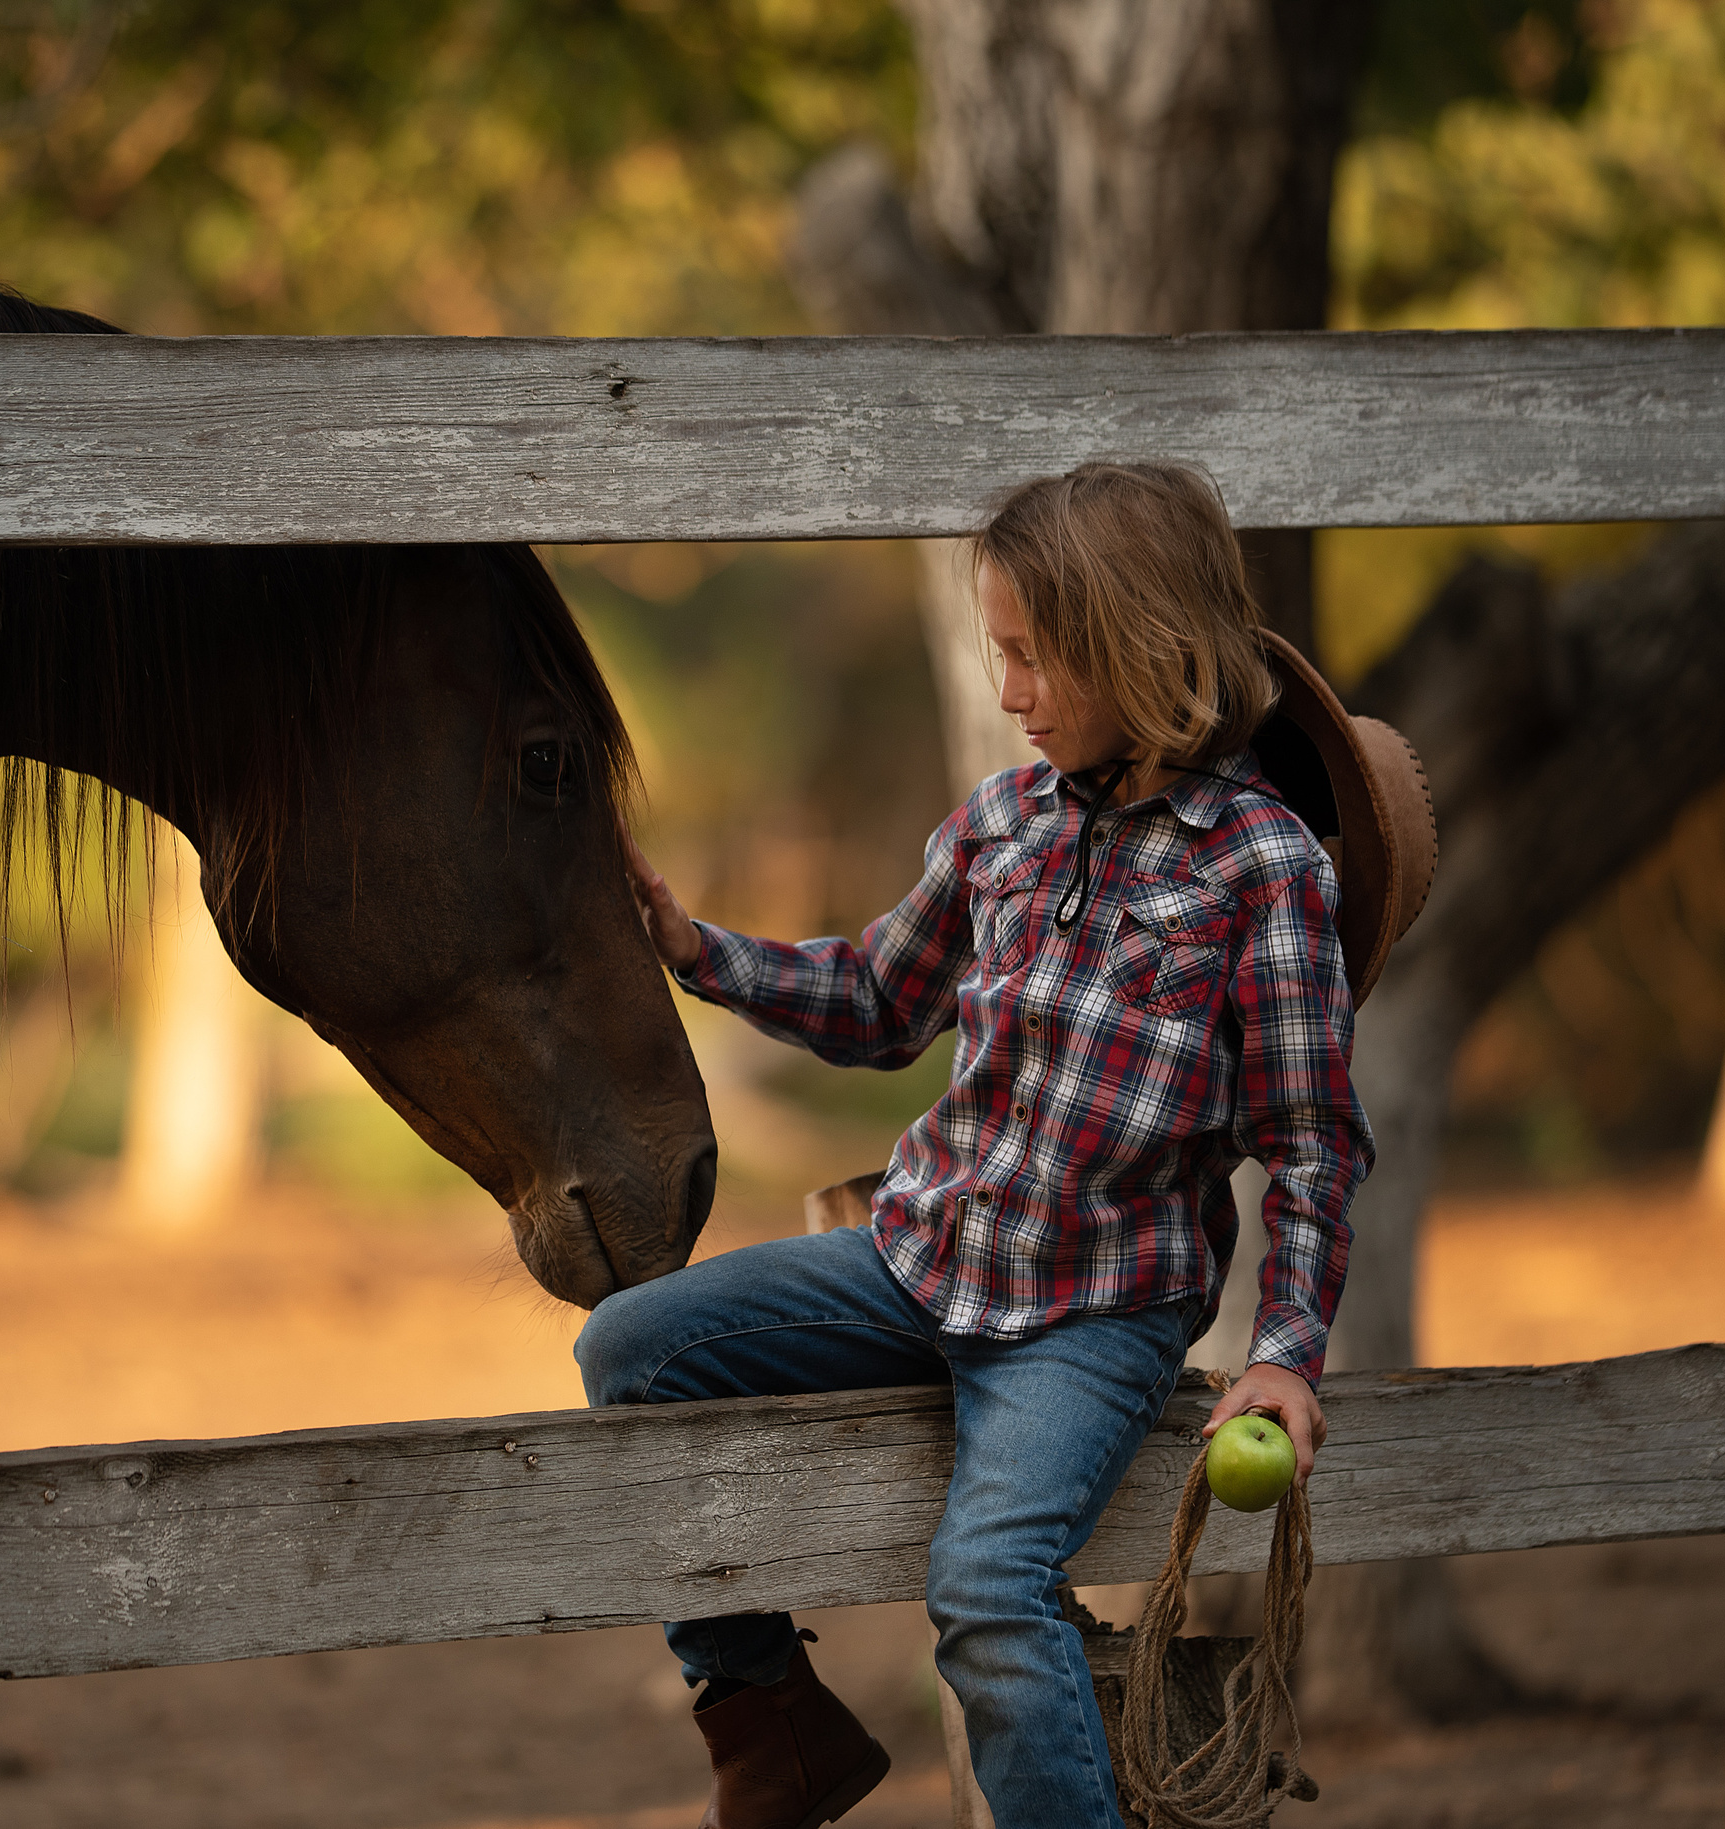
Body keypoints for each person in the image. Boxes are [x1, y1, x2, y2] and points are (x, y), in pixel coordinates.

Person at [581, 462, 1379, 1829]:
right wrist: (697, 951)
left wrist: (1285, 1353)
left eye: (1033, 656)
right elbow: (878, 1000)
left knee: (990, 1588)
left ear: (1141, 644)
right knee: (629, 1350)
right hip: (920, 1256)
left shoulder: (1264, 867)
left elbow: (1311, 1147)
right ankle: (772, 1722)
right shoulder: (1001, 825)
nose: (1010, 691)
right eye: (997, 652)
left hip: (1094, 1313)